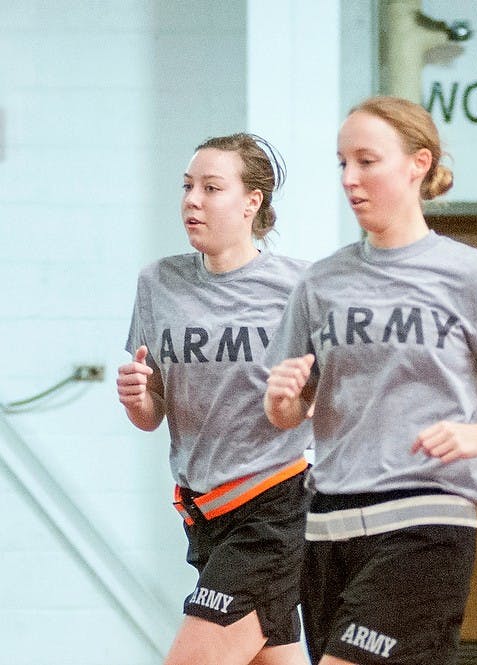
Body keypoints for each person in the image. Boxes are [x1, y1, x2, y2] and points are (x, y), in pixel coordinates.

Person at [264, 95, 477, 665]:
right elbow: (290, 413)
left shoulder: (466, 273)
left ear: (418, 163)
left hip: (423, 520)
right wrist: (282, 399)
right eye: (342, 163)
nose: (350, 179)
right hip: (327, 527)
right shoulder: (320, 282)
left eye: (366, 161)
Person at [117, 133, 313, 665]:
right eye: (187, 187)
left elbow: (341, 391)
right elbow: (153, 412)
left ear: (252, 202)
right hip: (204, 515)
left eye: (210, 187)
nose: (191, 201)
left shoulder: (299, 287)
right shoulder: (158, 282)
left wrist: (308, 396)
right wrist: (140, 400)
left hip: (273, 510)